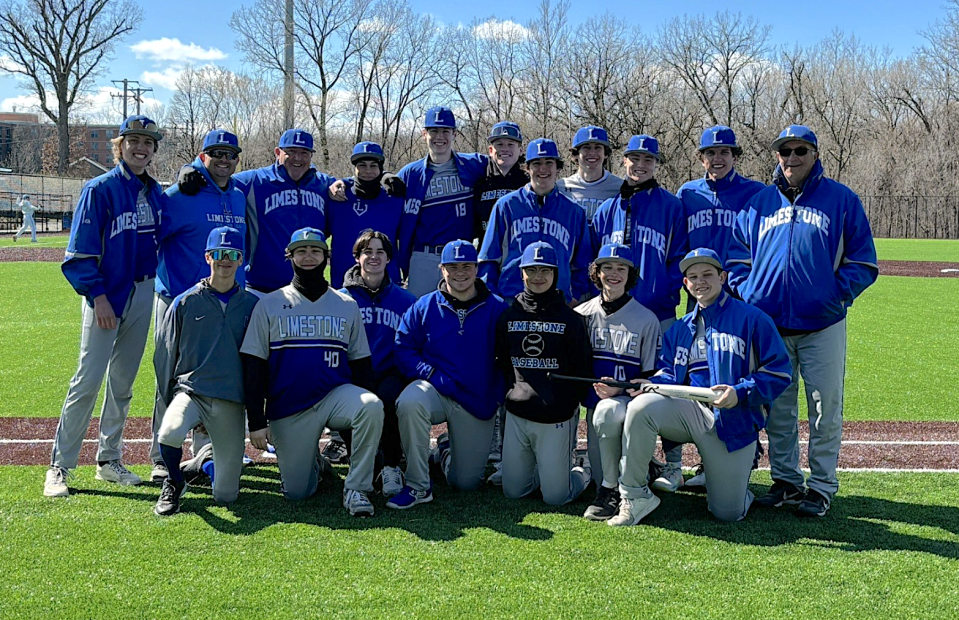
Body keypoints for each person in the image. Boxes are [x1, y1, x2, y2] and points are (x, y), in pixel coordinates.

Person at [727, 125, 879, 517]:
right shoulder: (758, 203)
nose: (791, 158)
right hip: (772, 327)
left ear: (814, 155)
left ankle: (823, 486)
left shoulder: (841, 200)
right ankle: (787, 482)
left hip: (822, 326)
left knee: (824, 408)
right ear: (776, 157)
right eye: (785, 152)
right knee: (778, 408)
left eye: (800, 151)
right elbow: (736, 261)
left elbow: (863, 262)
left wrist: (833, 296)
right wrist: (751, 295)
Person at [604, 248, 792, 526]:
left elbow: (779, 372)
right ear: (686, 285)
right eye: (692, 277)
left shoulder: (753, 319)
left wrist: (740, 393)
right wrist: (651, 383)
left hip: (731, 419)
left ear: (723, 277)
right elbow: (669, 372)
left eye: (707, 274)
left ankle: (739, 490)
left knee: (727, 513)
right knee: (641, 407)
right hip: (690, 411)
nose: (700, 281)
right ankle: (634, 495)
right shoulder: (680, 328)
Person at [45, 115, 163, 497]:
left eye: (147, 142)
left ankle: (108, 459)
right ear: (120, 146)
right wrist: (97, 297)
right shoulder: (100, 189)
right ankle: (59, 466)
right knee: (88, 380)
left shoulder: (155, 192)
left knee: (124, 382)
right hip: (105, 297)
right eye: (133, 141)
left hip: (143, 292)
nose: (140, 148)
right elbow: (79, 254)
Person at [239, 227, 385, 517]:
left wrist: (368, 434)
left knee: (371, 405)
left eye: (315, 251)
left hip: (335, 396)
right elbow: (253, 365)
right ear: (289, 257)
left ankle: (356, 488)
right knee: (297, 492)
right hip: (289, 406)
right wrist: (256, 420)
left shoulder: (346, 304)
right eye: (301, 251)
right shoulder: (268, 304)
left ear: (326, 258)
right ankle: (314, 463)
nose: (308, 257)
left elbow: (361, 365)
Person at [591, 134, 689, 492]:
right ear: (624, 162)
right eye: (634, 158)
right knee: (619, 387)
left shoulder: (671, 205)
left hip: (657, 311)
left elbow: (679, 258)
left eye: (648, 160)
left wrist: (662, 292)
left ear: (656, 164)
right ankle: (634, 461)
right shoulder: (607, 210)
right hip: (616, 316)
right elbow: (596, 262)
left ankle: (674, 464)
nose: (640, 165)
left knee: (664, 385)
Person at [149, 129, 248, 481]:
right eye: (215, 153)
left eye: (230, 154)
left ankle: (206, 451)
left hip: (224, 302)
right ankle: (161, 457)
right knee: (170, 377)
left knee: (216, 377)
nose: (223, 160)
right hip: (179, 301)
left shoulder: (237, 194)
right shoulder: (181, 193)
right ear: (202, 156)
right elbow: (152, 239)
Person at [675, 125, 765, 488]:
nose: (718, 158)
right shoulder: (687, 193)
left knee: (739, 374)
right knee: (700, 372)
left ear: (735, 156)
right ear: (701, 158)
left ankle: (748, 452)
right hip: (696, 291)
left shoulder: (754, 192)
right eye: (711, 152)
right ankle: (705, 458)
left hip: (738, 294)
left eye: (725, 152)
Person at [388, 240, 507, 508]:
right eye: (453, 266)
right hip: (437, 391)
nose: (460, 272)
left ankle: (444, 450)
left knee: (465, 483)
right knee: (410, 402)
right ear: (442, 269)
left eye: (467, 266)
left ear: (477, 269)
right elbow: (403, 348)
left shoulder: (497, 308)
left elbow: (508, 359)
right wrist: (430, 373)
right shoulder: (424, 306)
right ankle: (418, 486)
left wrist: (495, 393)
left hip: (475, 399)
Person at [152, 226, 258, 515]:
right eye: (219, 254)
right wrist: (167, 397)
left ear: (241, 260)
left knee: (226, 496)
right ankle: (174, 481)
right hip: (193, 392)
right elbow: (164, 356)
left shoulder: (253, 305)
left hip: (230, 401)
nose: (225, 260)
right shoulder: (185, 302)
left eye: (232, 254)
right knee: (170, 431)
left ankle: (204, 462)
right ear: (208, 257)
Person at [495, 241, 594, 505]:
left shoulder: (571, 319)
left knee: (556, 498)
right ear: (522, 273)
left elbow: (581, 368)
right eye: (532, 270)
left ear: (555, 274)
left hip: (555, 418)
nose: (538, 277)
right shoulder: (507, 317)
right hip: (518, 415)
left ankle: (583, 470)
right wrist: (512, 393)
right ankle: (544, 469)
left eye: (545, 271)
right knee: (513, 492)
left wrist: (564, 405)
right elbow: (503, 362)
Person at [577, 243, 661, 519]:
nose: (614, 274)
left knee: (609, 411)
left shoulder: (647, 319)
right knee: (601, 465)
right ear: (596, 272)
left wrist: (620, 388)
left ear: (630, 274)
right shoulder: (582, 315)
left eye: (621, 268)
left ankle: (612, 490)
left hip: (627, 403)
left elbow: (649, 377)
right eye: (607, 268)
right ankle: (643, 467)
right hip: (593, 404)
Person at [340, 230, 417, 497]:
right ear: (357, 257)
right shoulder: (340, 298)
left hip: (389, 373)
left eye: (380, 252)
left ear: (388, 259)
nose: (373, 257)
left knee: (389, 397)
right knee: (352, 401)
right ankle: (363, 461)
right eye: (367, 252)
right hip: (352, 374)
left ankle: (392, 465)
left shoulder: (407, 301)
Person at [478, 138, 592, 303]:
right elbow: (489, 259)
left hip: (558, 302)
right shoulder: (507, 206)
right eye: (536, 163)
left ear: (557, 168)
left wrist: (574, 295)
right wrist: (494, 298)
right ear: (527, 168)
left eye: (549, 163)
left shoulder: (574, 212)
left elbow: (583, 264)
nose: (543, 169)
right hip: (512, 301)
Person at [396, 107, 487, 297]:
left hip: (462, 258)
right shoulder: (410, 173)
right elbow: (380, 189)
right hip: (425, 257)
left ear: (454, 134)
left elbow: (503, 165)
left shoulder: (474, 165)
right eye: (434, 131)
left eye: (445, 131)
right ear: (424, 134)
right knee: (420, 317)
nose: (440, 137)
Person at [326, 142, 404, 289]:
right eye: (362, 165)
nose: (367, 170)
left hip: (387, 283)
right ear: (354, 168)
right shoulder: (338, 197)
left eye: (373, 166)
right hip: (344, 283)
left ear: (381, 168)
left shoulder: (394, 198)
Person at [473, 121, 529, 239]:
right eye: (499, 144)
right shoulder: (479, 181)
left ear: (521, 150)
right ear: (491, 150)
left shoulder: (528, 182)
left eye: (510, 144)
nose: (504, 149)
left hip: (520, 252)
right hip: (487, 252)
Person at [556, 125, 623, 220]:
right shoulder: (560, 187)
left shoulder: (619, 188)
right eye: (586, 148)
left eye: (597, 147)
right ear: (576, 154)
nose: (592, 152)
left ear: (606, 154)